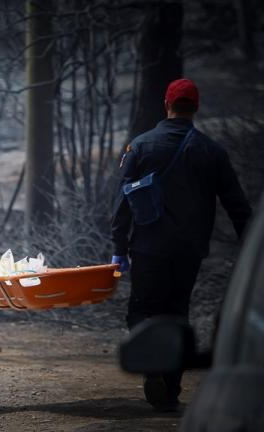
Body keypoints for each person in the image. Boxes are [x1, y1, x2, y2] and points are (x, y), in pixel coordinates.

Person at [111, 78, 251, 411]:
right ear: (196, 108)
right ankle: (170, 389)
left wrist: (118, 246)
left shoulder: (141, 146)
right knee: (177, 311)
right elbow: (238, 206)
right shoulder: (212, 151)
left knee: (143, 310)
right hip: (189, 250)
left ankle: (152, 367)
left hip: (147, 248)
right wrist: (250, 253)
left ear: (166, 104)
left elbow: (121, 204)